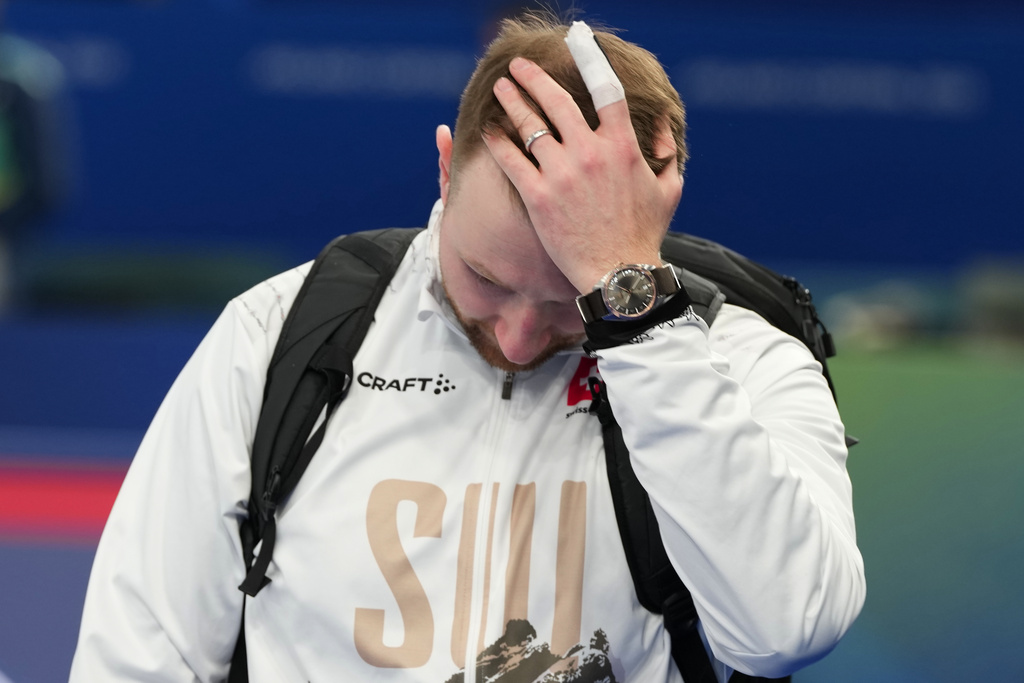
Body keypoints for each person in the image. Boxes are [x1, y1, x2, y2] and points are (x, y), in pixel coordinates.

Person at [70, 14, 865, 682]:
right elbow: (139, 655)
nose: (519, 335)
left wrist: (633, 309)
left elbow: (785, 627)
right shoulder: (281, 332)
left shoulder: (743, 360)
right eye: (485, 279)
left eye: (568, 301)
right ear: (447, 167)